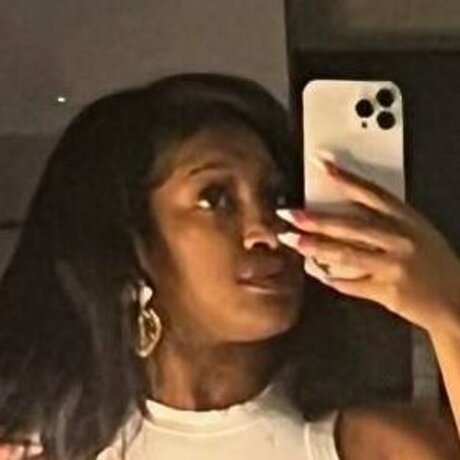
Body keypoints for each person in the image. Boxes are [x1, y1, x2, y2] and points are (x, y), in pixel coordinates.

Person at [0, 73, 459, 460]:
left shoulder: (375, 448)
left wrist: (448, 309)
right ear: (132, 241)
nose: (265, 230)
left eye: (277, 197)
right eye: (215, 198)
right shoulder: (51, 449)